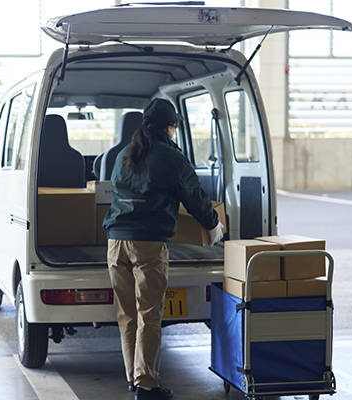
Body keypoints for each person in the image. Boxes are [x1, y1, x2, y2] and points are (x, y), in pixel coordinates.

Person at [103, 98, 223, 400]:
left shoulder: (124, 154)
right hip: (147, 244)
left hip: (115, 241)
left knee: (127, 314)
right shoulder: (169, 156)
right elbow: (194, 196)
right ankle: (146, 386)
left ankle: (134, 377)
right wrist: (213, 224)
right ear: (170, 127)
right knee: (149, 314)